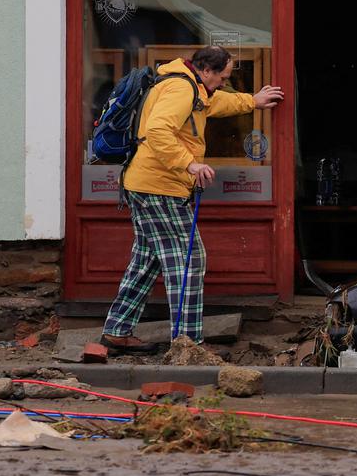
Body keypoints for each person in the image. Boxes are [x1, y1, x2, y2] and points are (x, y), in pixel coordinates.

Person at [101, 45, 283, 351]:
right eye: (223, 76)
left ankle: (117, 330)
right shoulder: (180, 89)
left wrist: (252, 100)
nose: (224, 82)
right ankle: (187, 342)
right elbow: (158, 131)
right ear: (207, 71)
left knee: (146, 262)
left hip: (148, 184)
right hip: (160, 186)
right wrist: (189, 163)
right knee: (189, 260)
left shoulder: (191, 85)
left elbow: (214, 102)